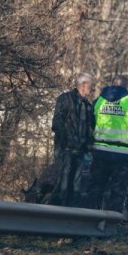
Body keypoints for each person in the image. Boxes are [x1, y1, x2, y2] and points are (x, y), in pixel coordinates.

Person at [86, 75, 128, 213]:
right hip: (123, 155)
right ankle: (110, 226)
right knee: (118, 191)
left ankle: (88, 223)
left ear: (112, 85)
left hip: (100, 152)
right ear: (126, 87)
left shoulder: (99, 101)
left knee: (95, 189)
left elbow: (90, 123)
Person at [48, 72, 95, 207]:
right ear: (83, 85)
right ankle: (55, 214)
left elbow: (89, 129)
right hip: (65, 149)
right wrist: (65, 144)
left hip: (80, 151)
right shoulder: (65, 99)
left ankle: (71, 216)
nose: (91, 89)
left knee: (76, 187)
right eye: (90, 86)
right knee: (62, 184)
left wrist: (89, 147)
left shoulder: (87, 105)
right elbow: (57, 124)